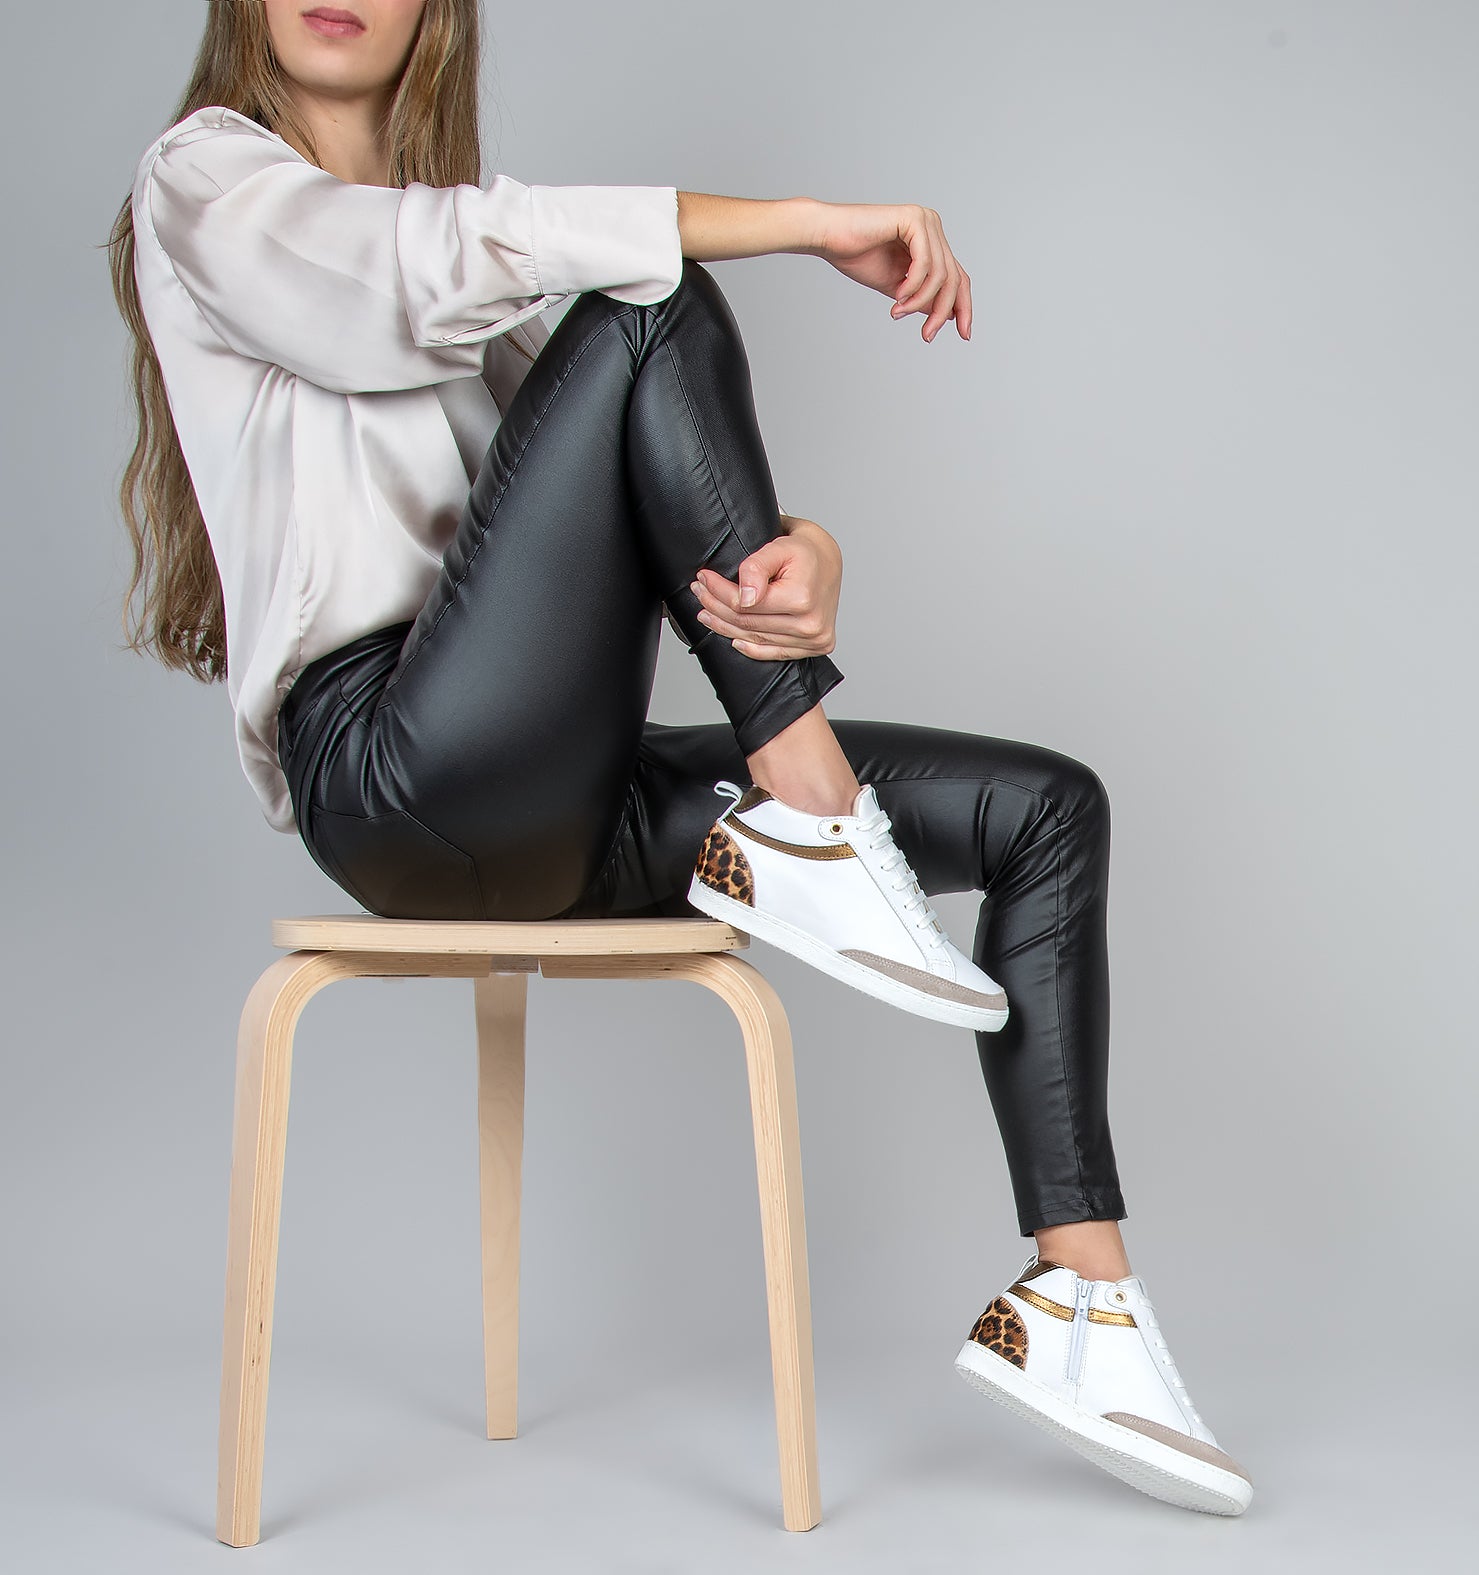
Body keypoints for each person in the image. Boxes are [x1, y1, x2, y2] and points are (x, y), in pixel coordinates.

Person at [108, 0, 1251, 1517]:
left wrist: (810, 553)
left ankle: (1080, 1303)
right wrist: (804, 223)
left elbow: (640, 487)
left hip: (555, 793)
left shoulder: (481, 287)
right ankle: (808, 803)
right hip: (391, 768)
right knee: (653, 298)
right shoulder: (205, 180)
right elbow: (413, 272)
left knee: (1047, 813)